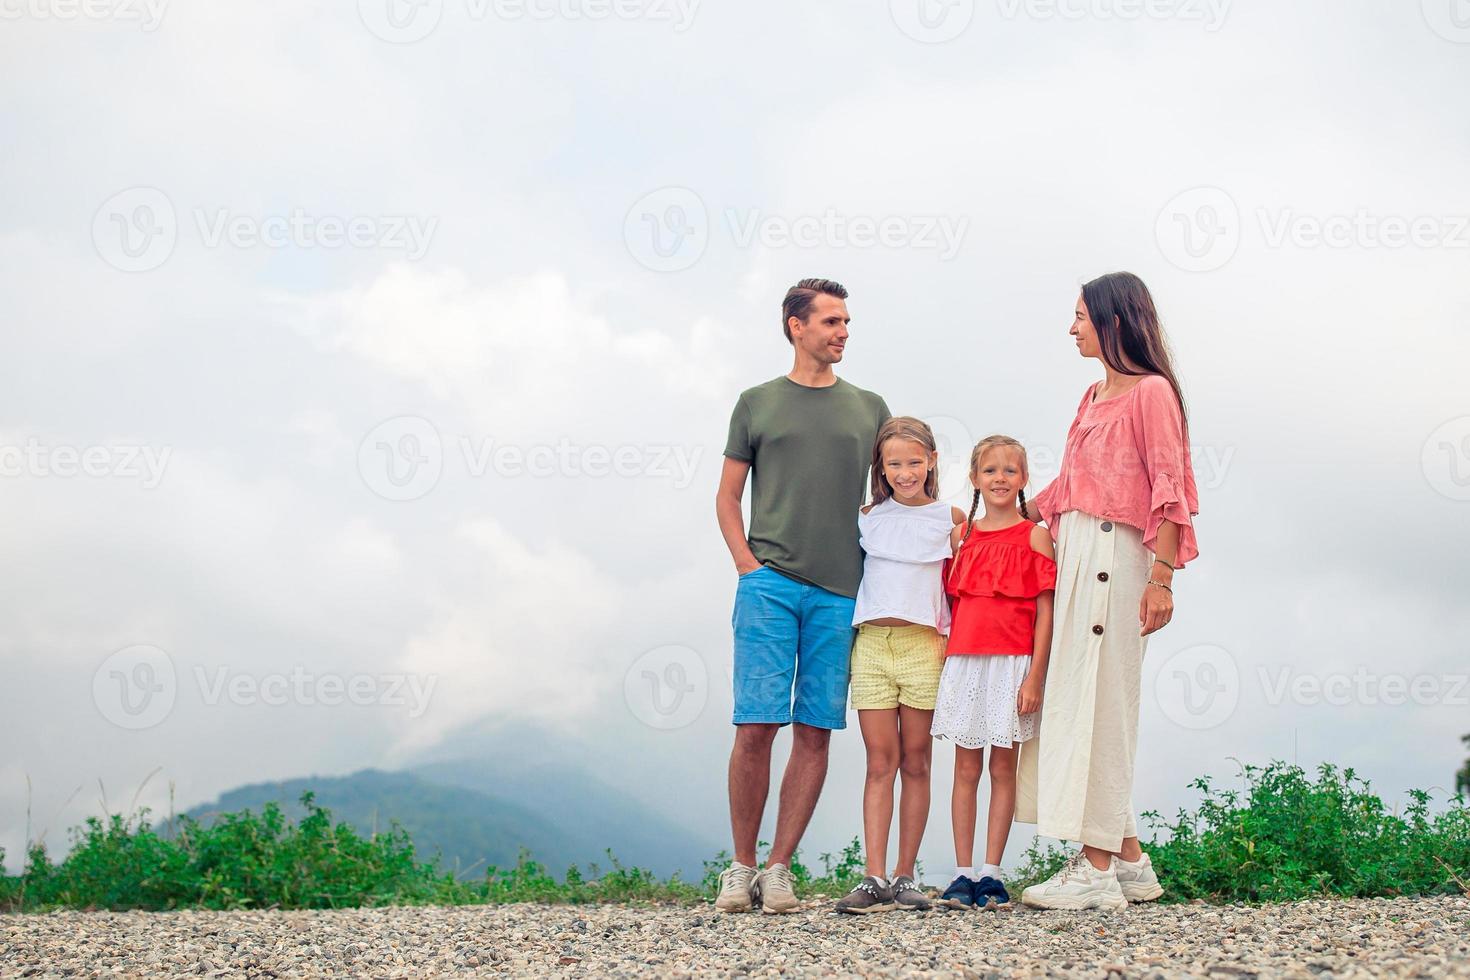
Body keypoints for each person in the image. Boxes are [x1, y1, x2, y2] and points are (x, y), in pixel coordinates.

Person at [1017, 271, 1200, 911]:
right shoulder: (1092, 396)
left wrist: (1162, 578)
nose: (1071, 328)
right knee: (1083, 697)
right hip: (1076, 555)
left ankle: (1092, 870)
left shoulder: (1151, 394)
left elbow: (1169, 485)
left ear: (1113, 321)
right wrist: (1002, 516)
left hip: (1117, 557)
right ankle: (1128, 862)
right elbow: (1067, 485)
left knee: (1099, 701)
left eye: (1080, 317)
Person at [713, 278, 891, 914]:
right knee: (755, 725)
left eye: (846, 323)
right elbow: (727, 495)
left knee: (816, 730)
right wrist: (746, 566)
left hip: (843, 592)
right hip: (769, 585)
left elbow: (897, 491)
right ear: (796, 326)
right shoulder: (756, 403)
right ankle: (739, 868)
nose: (842, 332)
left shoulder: (870, 408)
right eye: (831, 322)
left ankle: (779, 868)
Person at [833, 417, 966, 914]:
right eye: (894, 464)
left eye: (914, 461)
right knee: (878, 763)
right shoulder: (868, 516)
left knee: (917, 761)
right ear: (881, 468)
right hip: (872, 645)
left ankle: (906, 874)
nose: (905, 472)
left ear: (931, 460)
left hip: (924, 646)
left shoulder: (950, 519)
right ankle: (873, 876)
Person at [931, 436, 1057, 911]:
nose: (999, 479)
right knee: (966, 767)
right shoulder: (963, 538)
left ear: (1024, 479)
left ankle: (992, 872)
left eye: (1009, 471)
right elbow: (951, 602)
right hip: (966, 662)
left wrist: (1035, 676)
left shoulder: (1034, 536)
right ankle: (962, 872)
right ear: (975, 479)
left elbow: (1045, 612)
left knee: (1003, 767)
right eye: (990, 471)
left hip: (1012, 665)